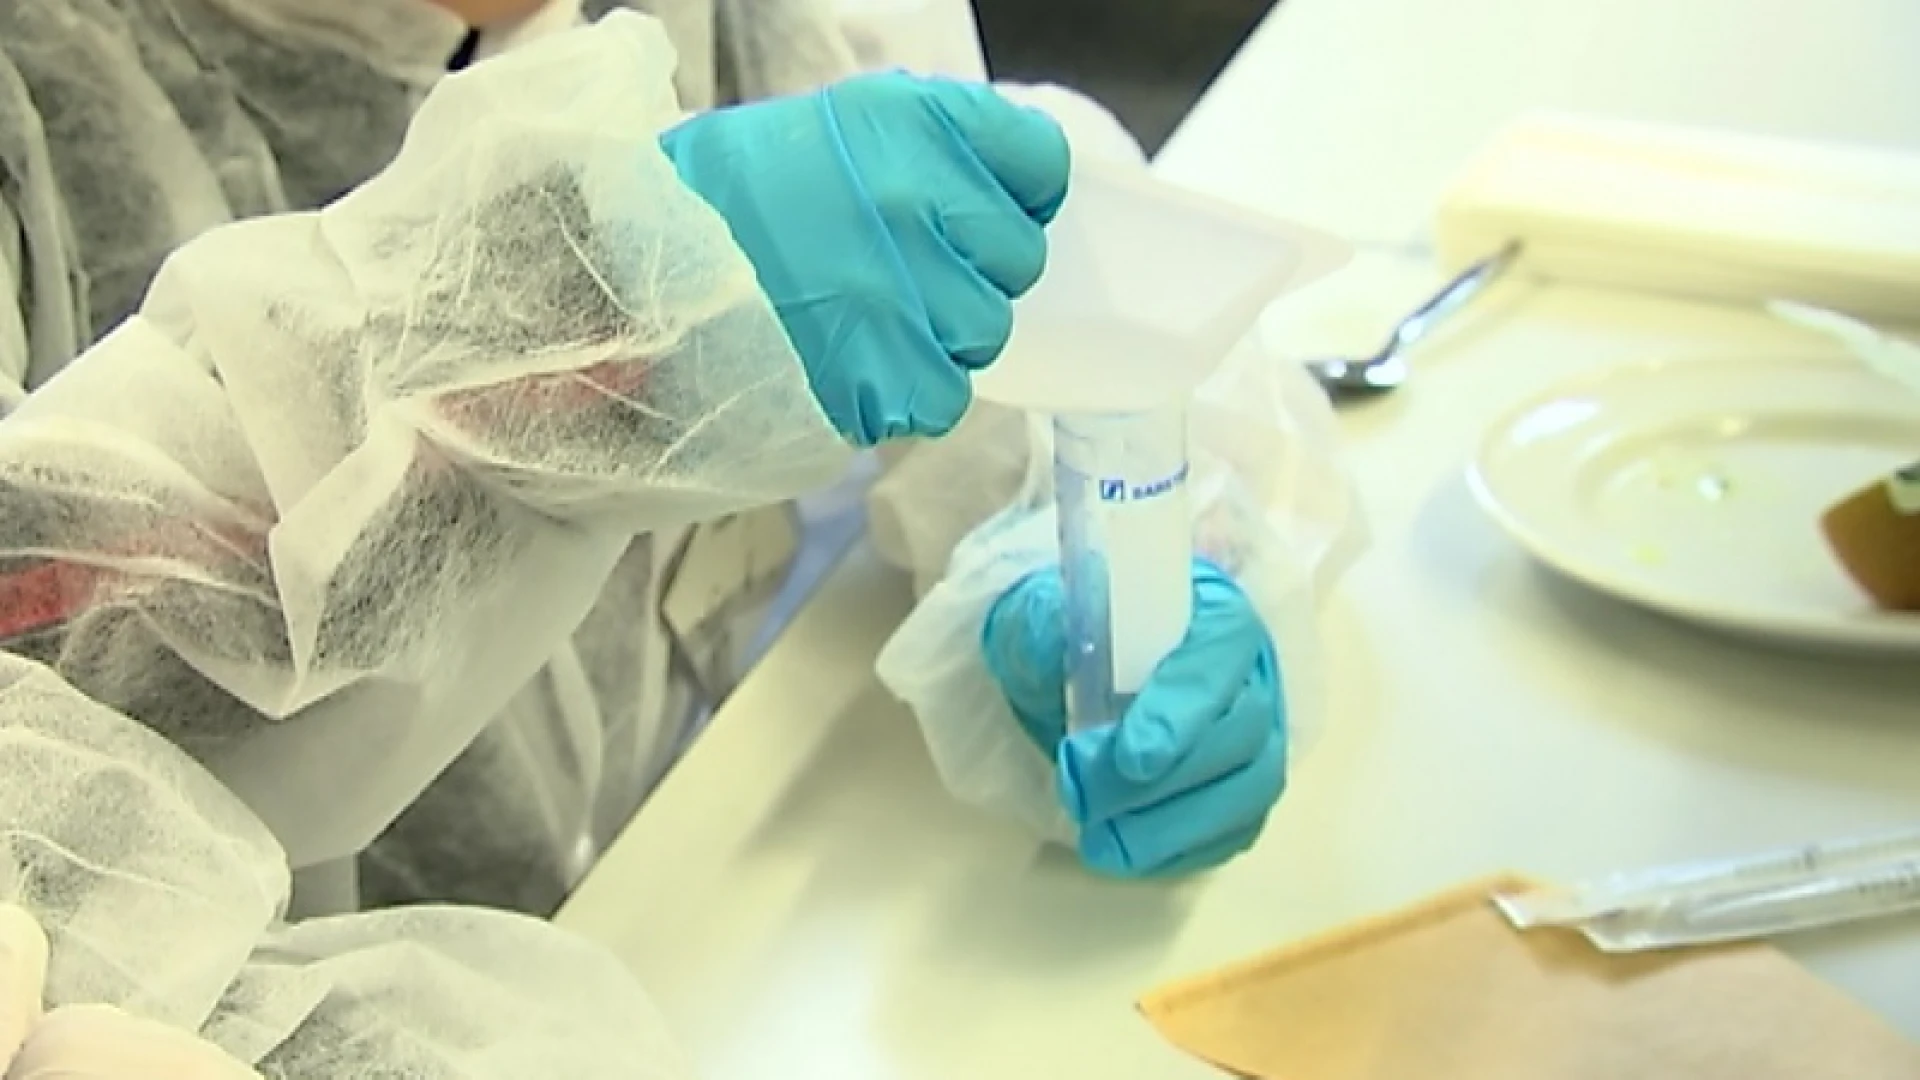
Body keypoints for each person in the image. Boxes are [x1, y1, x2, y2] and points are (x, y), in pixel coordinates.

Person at [0, 1, 1359, 1073]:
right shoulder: (49, 103)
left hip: (715, 936)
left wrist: (1082, 557)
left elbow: (1023, 247)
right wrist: (557, 309)